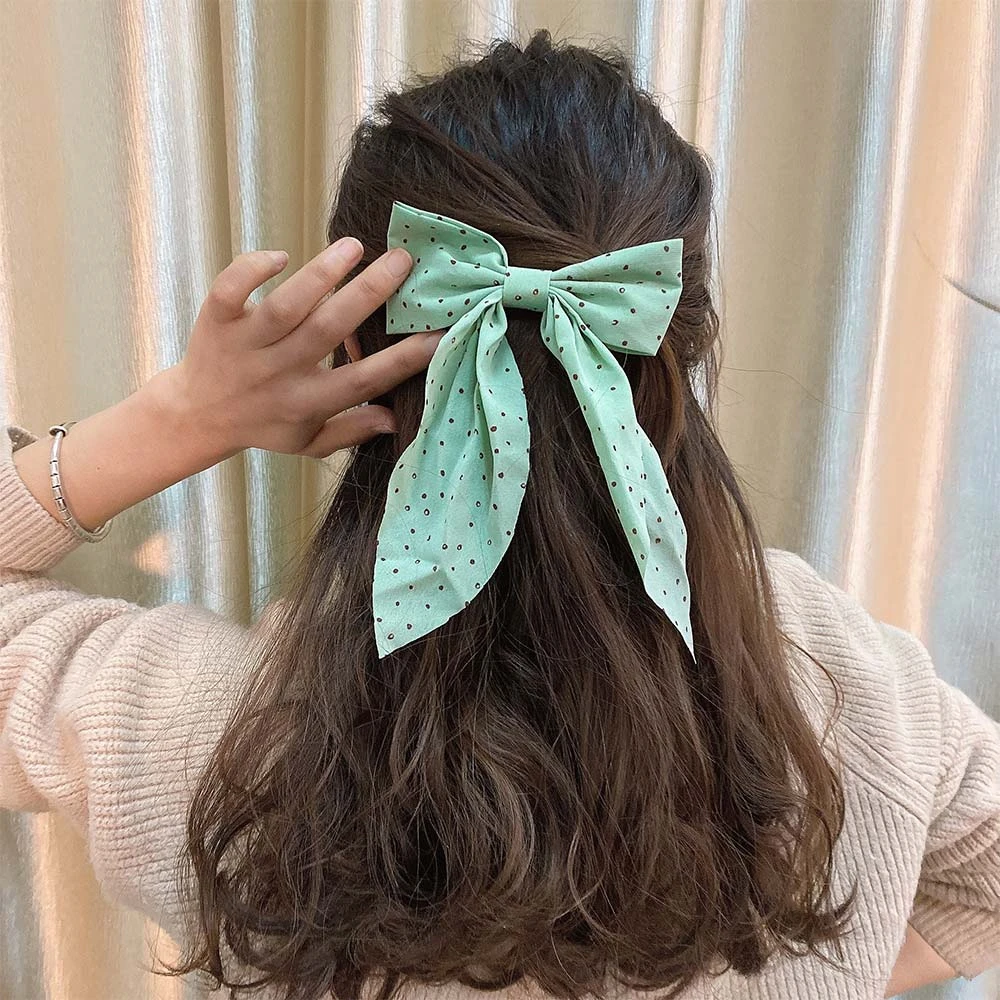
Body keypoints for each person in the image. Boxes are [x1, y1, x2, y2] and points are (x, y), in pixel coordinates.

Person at [1, 29, 996, 1000]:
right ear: (676, 336)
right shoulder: (847, 687)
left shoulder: (218, 737)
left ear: (351, 354)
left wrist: (186, 416)